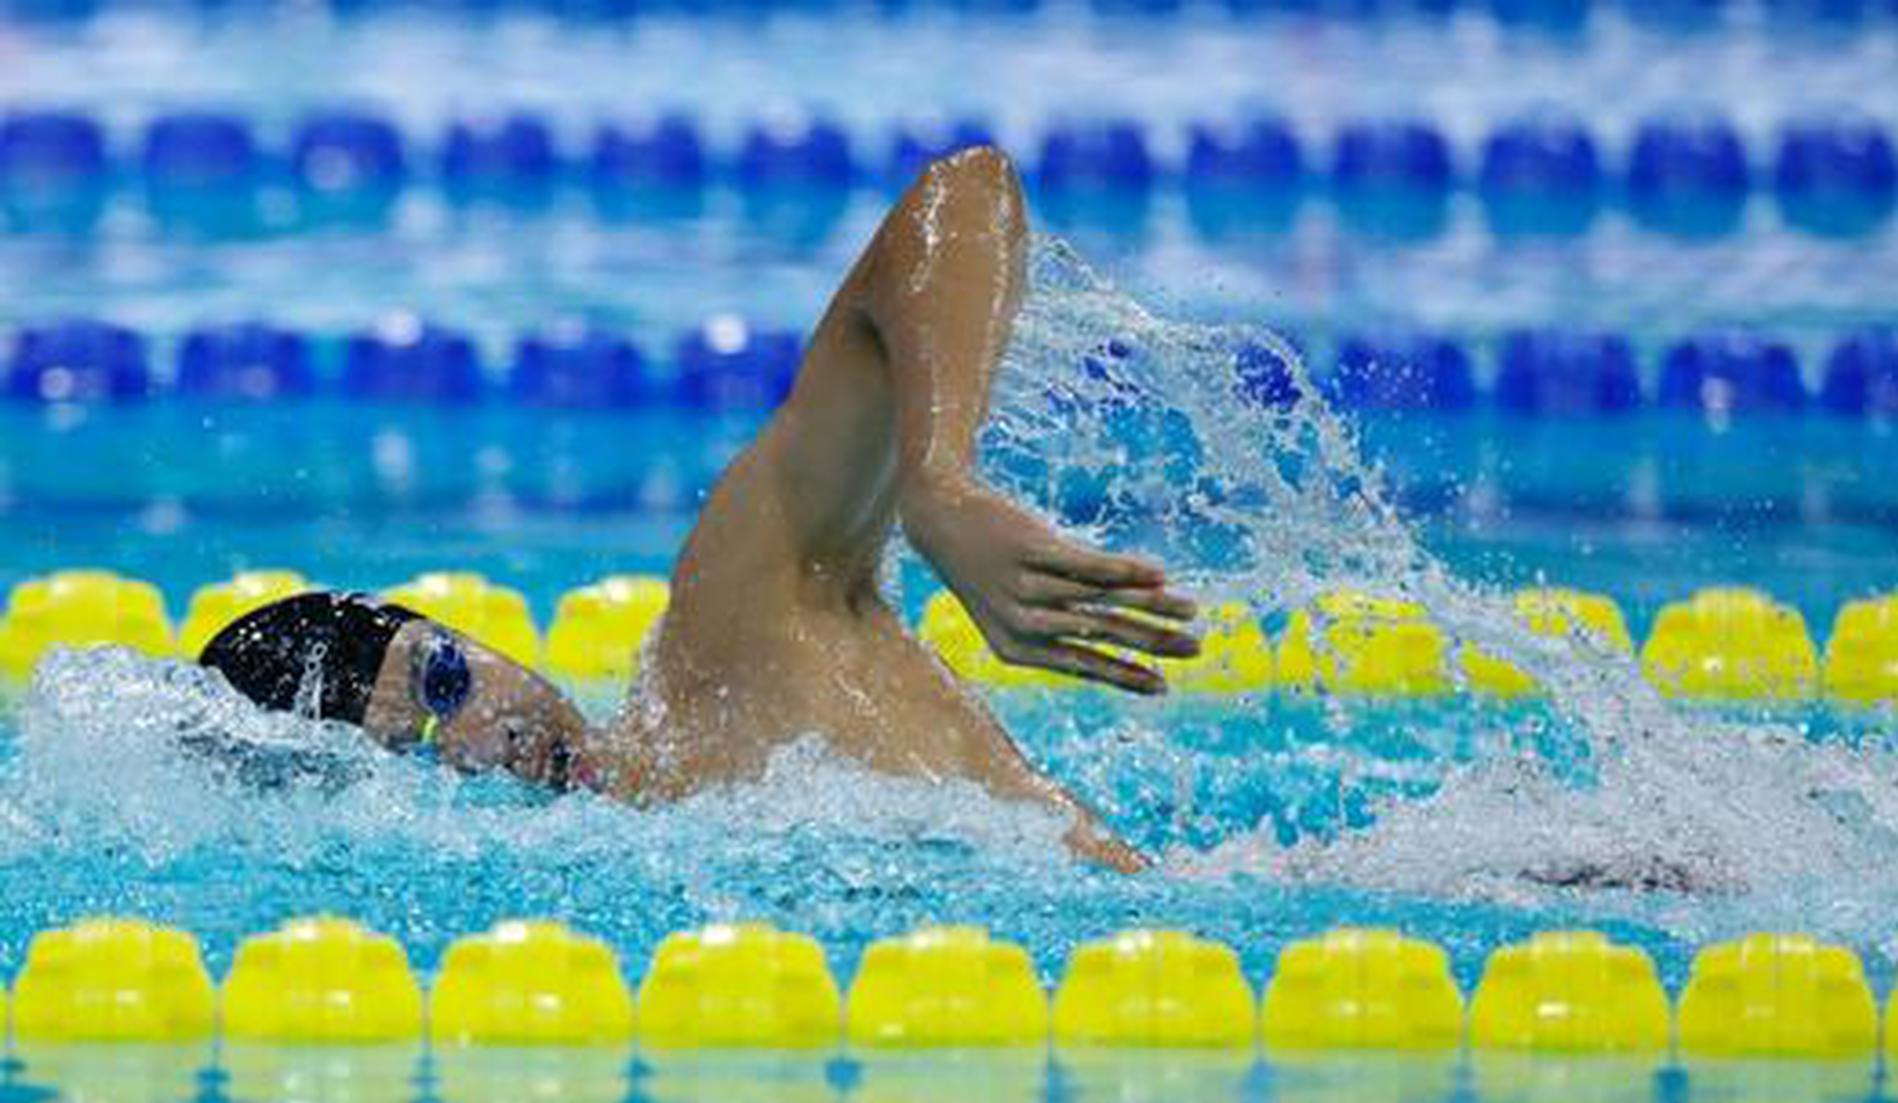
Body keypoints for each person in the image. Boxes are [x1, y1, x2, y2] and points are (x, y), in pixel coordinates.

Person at [200, 147, 1201, 872]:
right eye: (415, 758)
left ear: (475, 638)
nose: (480, 743)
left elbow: (962, 192)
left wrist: (938, 480)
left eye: (448, 677)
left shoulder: (726, 645)